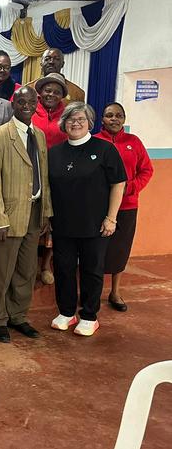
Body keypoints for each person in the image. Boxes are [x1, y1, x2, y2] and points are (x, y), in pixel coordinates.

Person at [48, 102, 126, 336]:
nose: (76, 123)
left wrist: (111, 218)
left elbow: (118, 183)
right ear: (64, 123)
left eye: (81, 119)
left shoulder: (105, 149)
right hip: (62, 225)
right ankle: (66, 312)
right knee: (63, 269)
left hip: (95, 225)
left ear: (90, 123)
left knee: (92, 270)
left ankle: (89, 316)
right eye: (71, 119)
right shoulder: (54, 153)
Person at [0, 86, 52, 343]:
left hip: (34, 212)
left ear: (36, 104)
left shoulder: (39, 135)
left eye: (31, 102)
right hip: (9, 216)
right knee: (2, 271)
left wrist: (46, 211)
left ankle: (18, 315)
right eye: (21, 102)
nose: (26, 106)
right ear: (13, 104)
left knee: (26, 269)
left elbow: (43, 175)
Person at [95, 102, 153, 312]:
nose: (114, 119)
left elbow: (146, 170)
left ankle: (115, 292)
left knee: (120, 250)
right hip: (99, 207)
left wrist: (130, 188)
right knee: (97, 251)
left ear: (124, 119)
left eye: (119, 115)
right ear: (102, 119)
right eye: (109, 115)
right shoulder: (94, 142)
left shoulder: (133, 142)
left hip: (127, 206)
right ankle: (93, 293)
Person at [32, 71, 68, 284]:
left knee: (53, 220)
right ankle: (30, 264)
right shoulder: (30, 109)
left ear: (62, 95)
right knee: (32, 217)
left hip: (58, 174)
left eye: (56, 92)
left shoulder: (68, 115)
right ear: (40, 92)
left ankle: (46, 264)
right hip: (32, 173)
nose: (51, 94)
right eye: (47, 90)